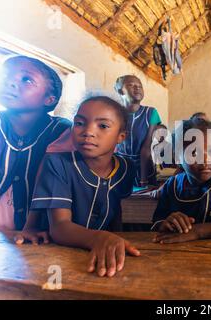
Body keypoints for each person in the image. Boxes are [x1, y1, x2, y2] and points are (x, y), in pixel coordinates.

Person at [31, 96, 140, 277]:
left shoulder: (126, 168)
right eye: (80, 123)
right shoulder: (58, 164)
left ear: (121, 136)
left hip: (100, 252)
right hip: (56, 255)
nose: (88, 132)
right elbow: (59, 227)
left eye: (103, 126)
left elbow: (116, 209)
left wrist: (115, 238)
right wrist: (100, 238)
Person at [0, 55, 72, 240]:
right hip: (1, 227)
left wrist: (29, 227)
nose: (10, 83)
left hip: (47, 229)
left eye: (26, 79)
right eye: (5, 76)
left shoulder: (61, 130)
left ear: (49, 98)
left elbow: (48, 181)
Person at [115, 75, 161, 187]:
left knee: (142, 202)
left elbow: (146, 147)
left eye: (140, 86)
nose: (137, 88)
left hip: (144, 169)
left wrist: (143, 180)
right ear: (121, 91)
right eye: (131, 85)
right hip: (119, 167)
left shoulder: (150, 113)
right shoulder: (115, 114)